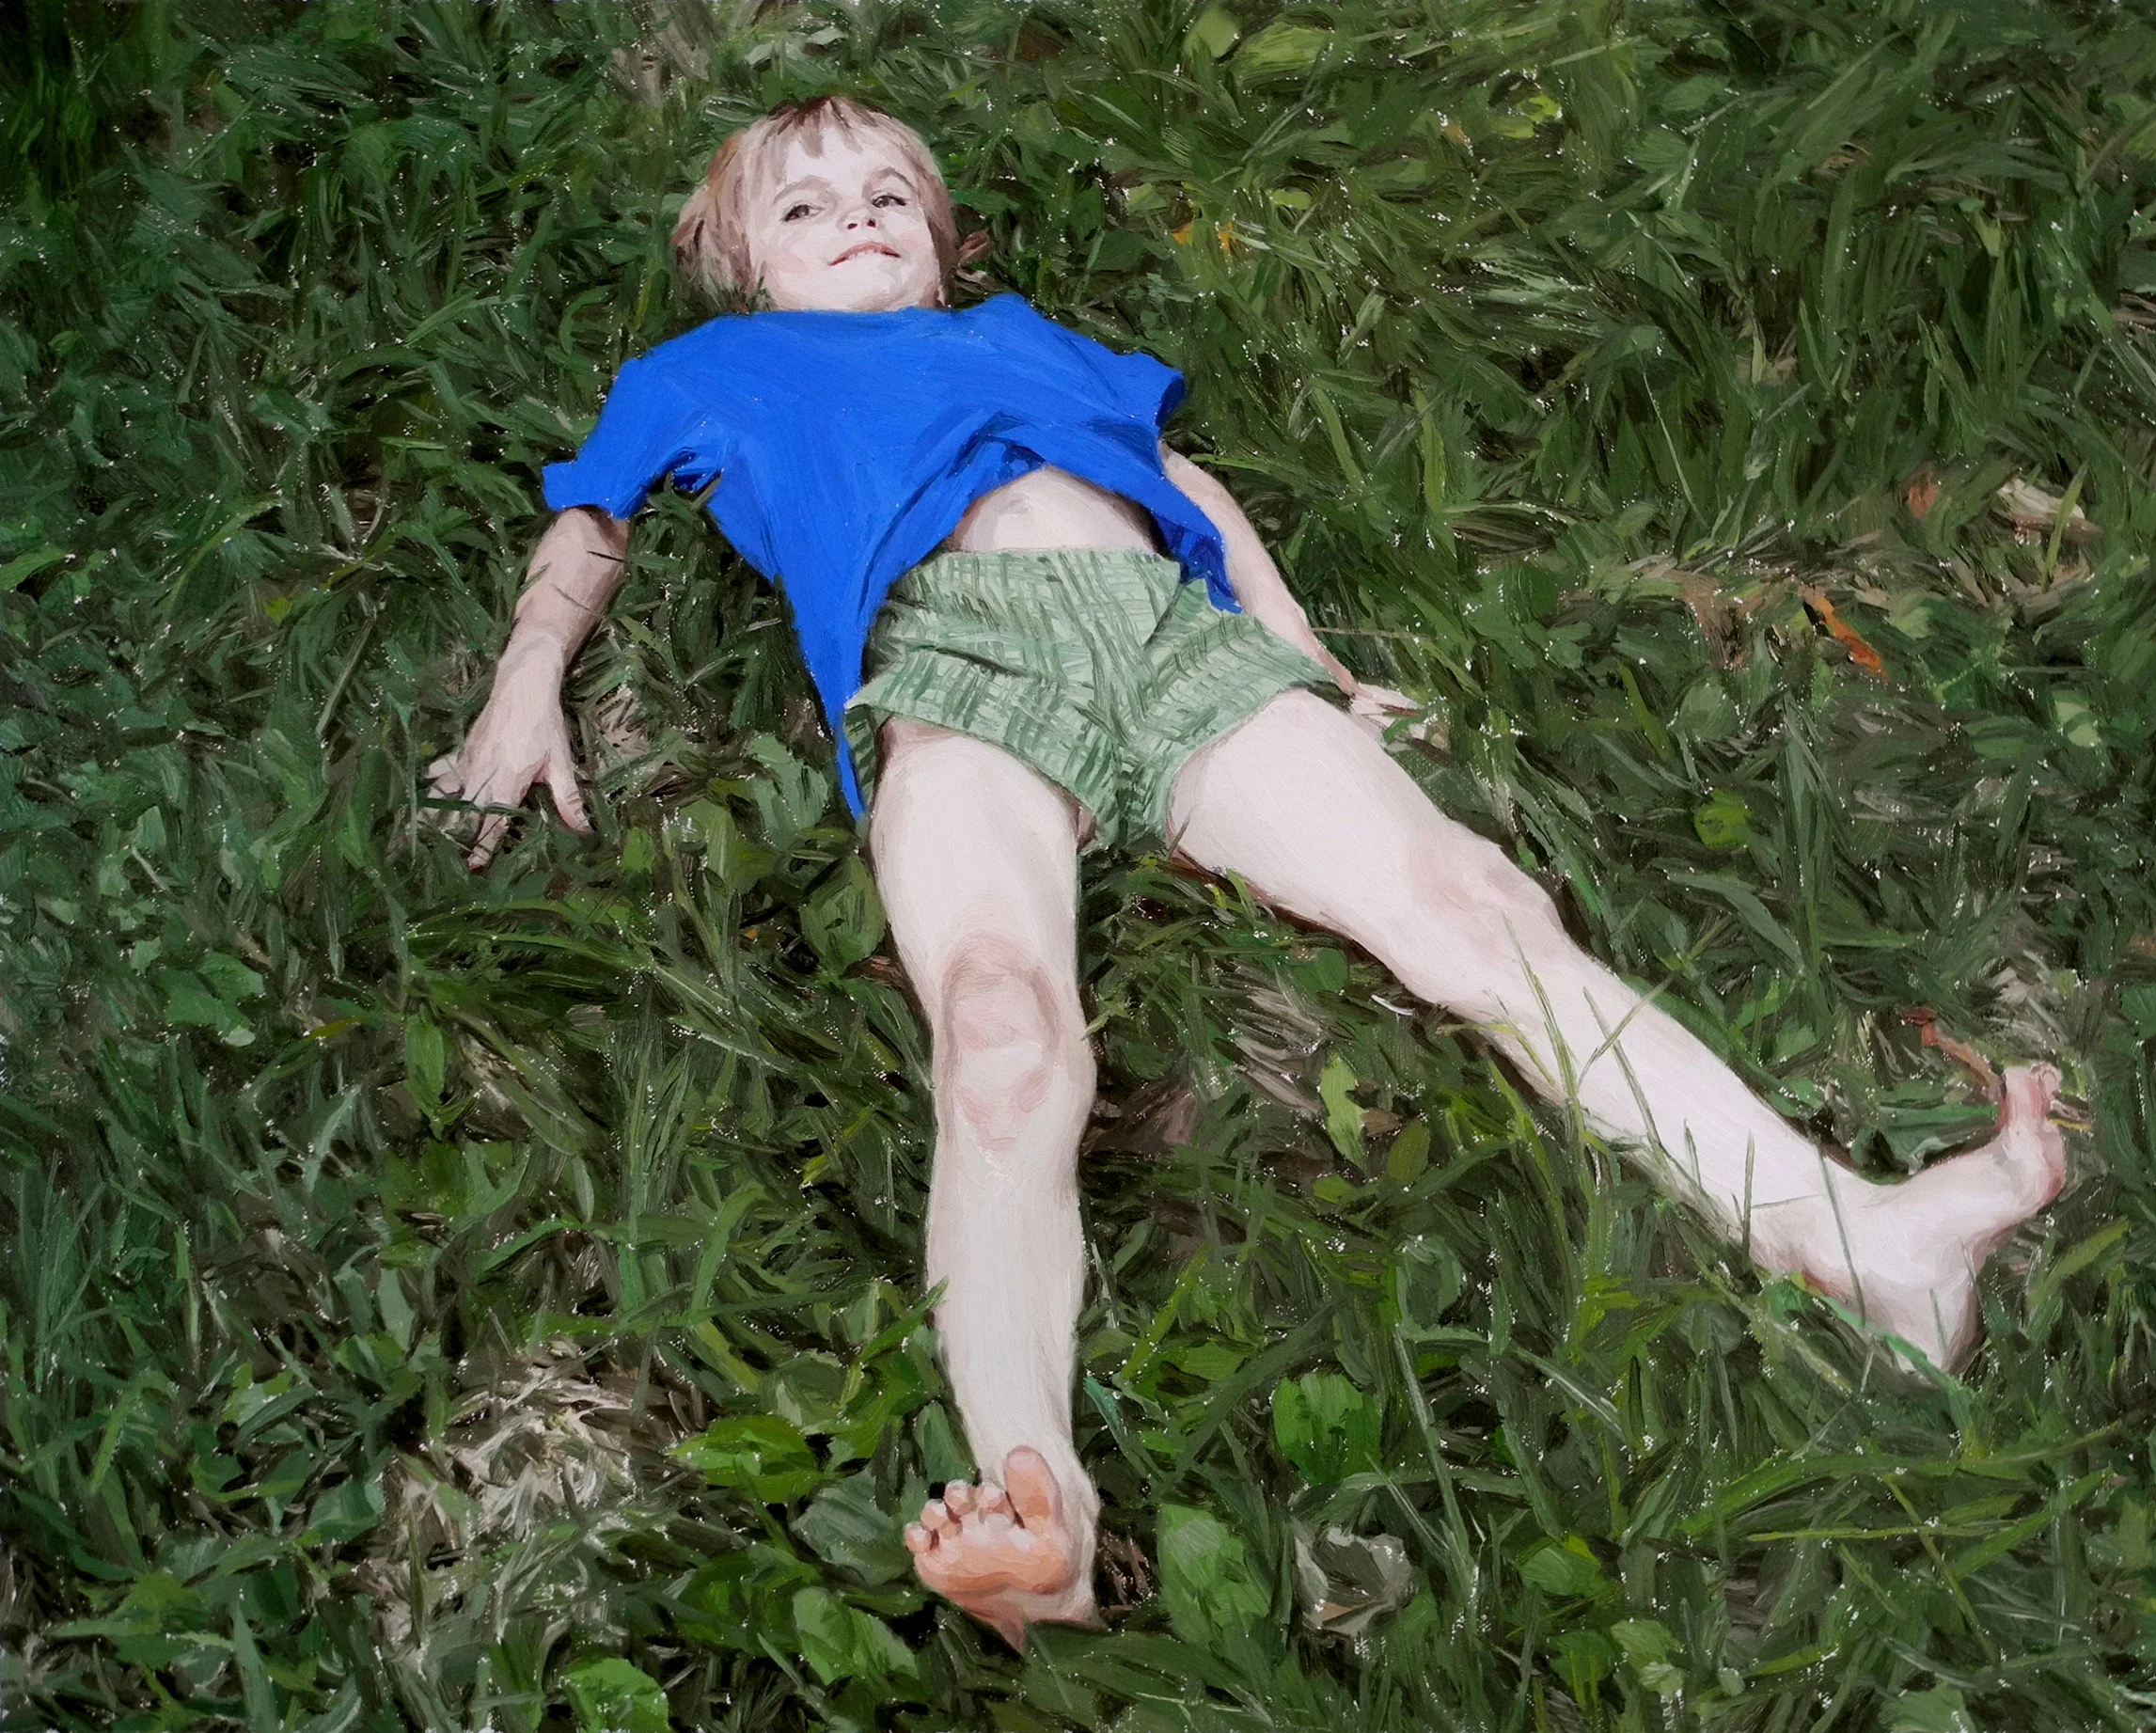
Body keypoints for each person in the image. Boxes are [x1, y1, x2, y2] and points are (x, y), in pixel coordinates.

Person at [427, 97, 2068, 1649]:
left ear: (944, 244)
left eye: (891, 201)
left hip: (1169, 643)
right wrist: (526, 677)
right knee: (999, 1034)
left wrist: (1312, 662)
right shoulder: (721, 366)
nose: (857, 222)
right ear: (745, 263)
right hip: (956, 669)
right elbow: (590, 523)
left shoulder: (1021, 338)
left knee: (1476, 913)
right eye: (808, 207)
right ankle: (1036, 1494)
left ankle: (1864, 1238)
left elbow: (1186, 490)